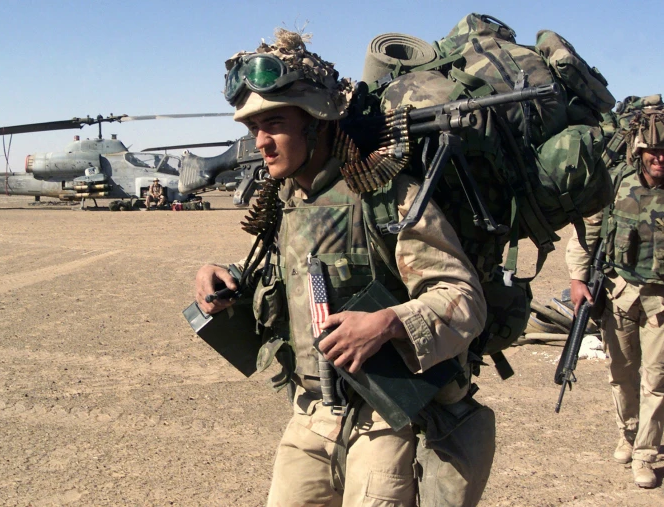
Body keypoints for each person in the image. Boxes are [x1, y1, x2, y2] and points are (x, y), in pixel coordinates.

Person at [194, 29, 491, 506]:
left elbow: (463, 297)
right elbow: (297, 280)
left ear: (319, 123)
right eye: (253, 129)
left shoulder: (389, 197)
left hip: (385, 420)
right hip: (310, 412)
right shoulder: (286, 201)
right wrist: (222, 276)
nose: (262, 142)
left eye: (274, 123)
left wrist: (385, 323)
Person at [567, 110, 664, 489]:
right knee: (621, 376)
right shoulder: (616, 185)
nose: (659, 159)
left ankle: (646, 453)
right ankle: (629, 434)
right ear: (639, 152)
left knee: (656, 380)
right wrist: (577, 280)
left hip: (661, 301)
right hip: (620, 293)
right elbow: (588, 232)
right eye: (652, 151)